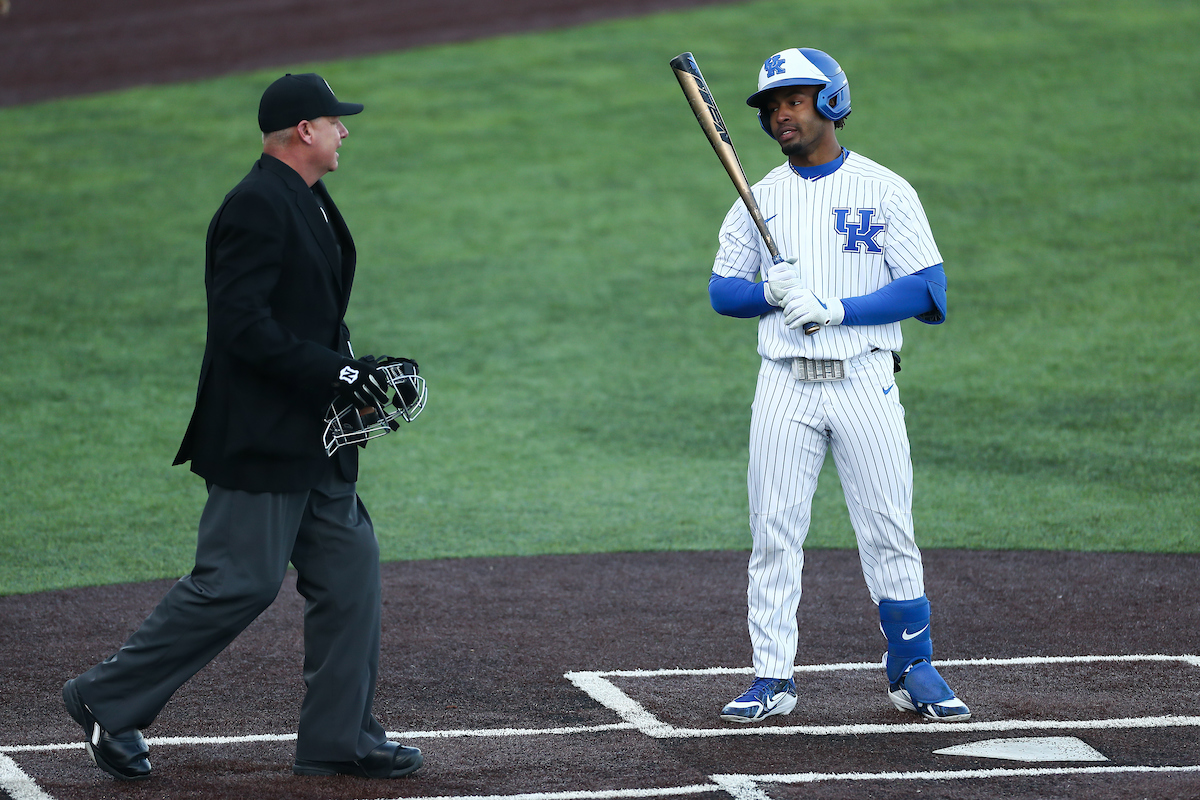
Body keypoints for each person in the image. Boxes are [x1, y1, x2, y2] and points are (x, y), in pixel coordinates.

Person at [62, 72, 425, 780]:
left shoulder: (309, 198)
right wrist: (336, 375)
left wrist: (351, 370)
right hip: (262, 438)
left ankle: (338, 738)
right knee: (239, 582)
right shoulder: (257, 204)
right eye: (335, 121)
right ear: (303, 131)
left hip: (318, 438)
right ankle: (105, 697)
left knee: (350, 575)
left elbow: (310, 315)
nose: (345, 131)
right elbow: (241, 327)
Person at [708, 48, 970, 724]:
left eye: (793, 101)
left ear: (830, 102)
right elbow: (721, 291)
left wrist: (836, 310)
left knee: (888, 527)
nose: (780, 115)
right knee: (773, 533)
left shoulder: (885, 190)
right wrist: (768, 293)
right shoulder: (759, 197)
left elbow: (929, 289)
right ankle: (771, 677)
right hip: (784, 385)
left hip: (864, 379)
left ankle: (912, 668)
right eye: (772, 107)